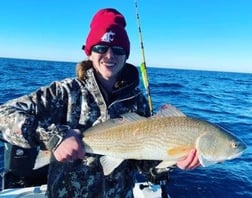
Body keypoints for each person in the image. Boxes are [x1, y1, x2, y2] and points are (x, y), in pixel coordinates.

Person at [0, 8, 200, 197]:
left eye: (118, 49)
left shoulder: (137, 100)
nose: (110, 55)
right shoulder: (65, 92)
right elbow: (4, 114)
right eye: (101, 47)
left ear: (126, 54)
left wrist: (172, 161)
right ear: (89, 51)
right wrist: (54, 138)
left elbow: (143, 163)